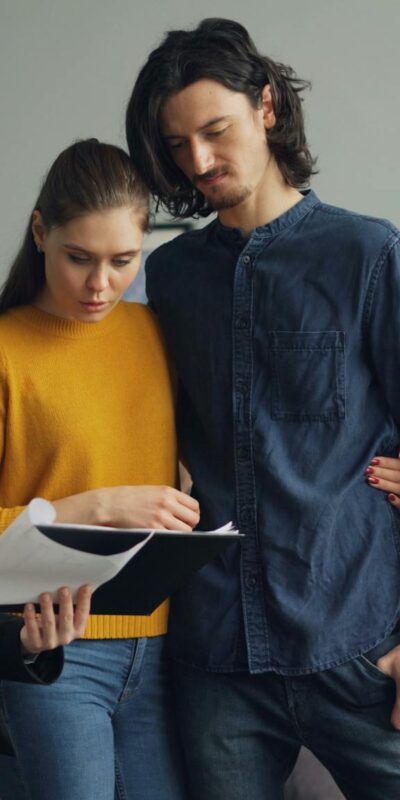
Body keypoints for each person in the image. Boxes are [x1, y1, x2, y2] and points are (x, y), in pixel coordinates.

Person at [125, 18, 400, 799]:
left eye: (216, 131)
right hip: (217, 664)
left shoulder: (368, 255)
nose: (201, 162)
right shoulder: (169, 278)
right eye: (179, 146)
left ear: (267, 107)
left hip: (356, 647)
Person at [0, 138, 199, 800]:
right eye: (78, 258)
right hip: (55, 655)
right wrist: (96, 506)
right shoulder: (7, 351)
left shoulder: (159, 334)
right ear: (39, 233)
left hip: (169, 653)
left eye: (123, 261)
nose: (100, 284)